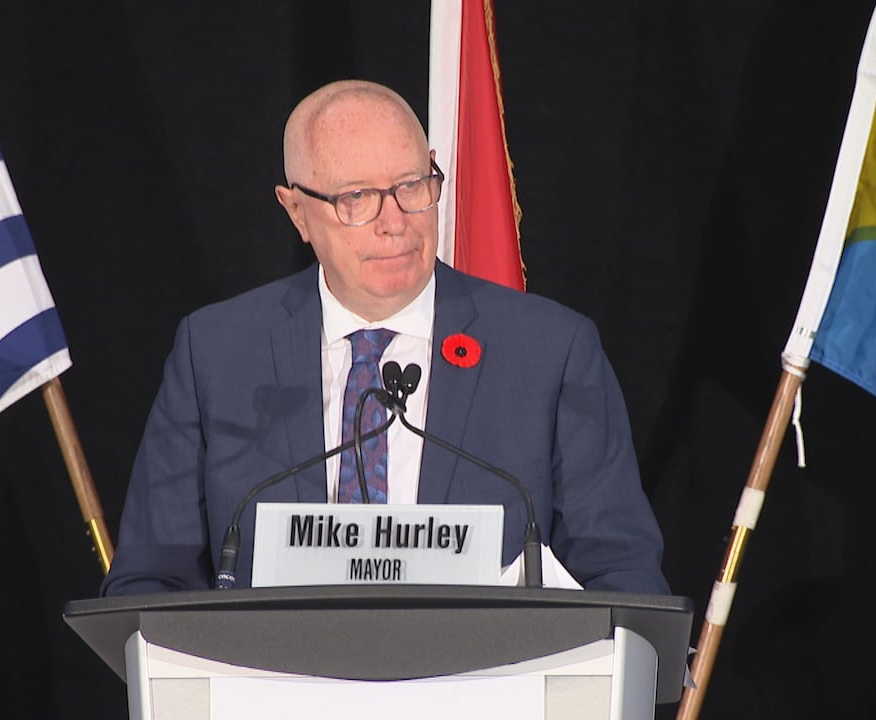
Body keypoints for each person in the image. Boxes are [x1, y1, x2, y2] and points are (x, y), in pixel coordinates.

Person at [101, 79, 668, 596]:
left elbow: (622, 575)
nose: (394, 220)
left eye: (412, 185)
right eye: (355, 198)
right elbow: (149, 581)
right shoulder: (217, 354)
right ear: (297, 211)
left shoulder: (550, 353)